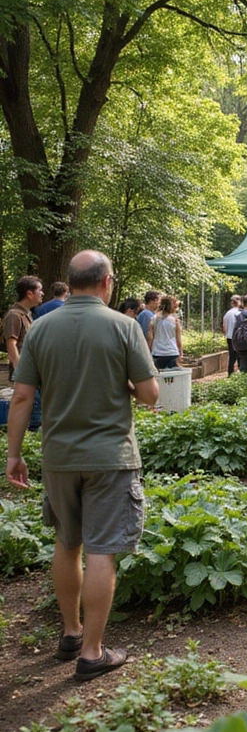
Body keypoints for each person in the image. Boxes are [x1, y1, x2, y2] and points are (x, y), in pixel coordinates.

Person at [5, 250, 159, 680]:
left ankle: (70, 632)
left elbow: (21, 396)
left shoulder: (40, 328)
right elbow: (149, 395)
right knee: (102, 551)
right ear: (107, 282)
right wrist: (125, 385)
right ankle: (92, 653)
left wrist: (14, 454)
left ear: (69, 283)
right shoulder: (124, 326)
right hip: (110, 458)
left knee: (66, 542)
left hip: (58, 456)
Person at [2, 276, 44, 380]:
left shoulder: (27, 314)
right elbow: (11, 345)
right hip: (24, 376)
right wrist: (20, 371)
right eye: (40, 290)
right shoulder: (14, 315)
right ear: (29, 294)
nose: (42, 293)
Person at [148, 295, 183, 370]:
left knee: (158, 376)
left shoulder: (154, 319)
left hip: (157, 352)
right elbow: (178, 340)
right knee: (173, 378)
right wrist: (180, 353)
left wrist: (149, 349)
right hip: (172, 352)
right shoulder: (175, 321)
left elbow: (150, 337)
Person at [222, 294, 242, 376]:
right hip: (238, 337)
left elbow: (224, 327)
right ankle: (242, 373)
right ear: (239, 302)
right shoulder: (239, 313)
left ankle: (230, 373)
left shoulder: (227, 314)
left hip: (229, 337)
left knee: (232, 357)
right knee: (240, 356)